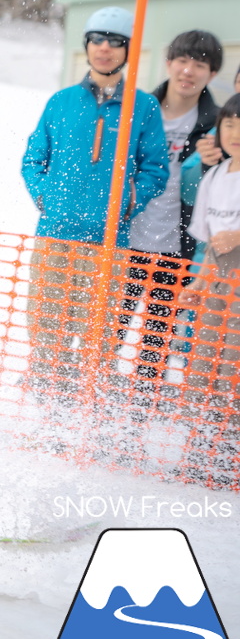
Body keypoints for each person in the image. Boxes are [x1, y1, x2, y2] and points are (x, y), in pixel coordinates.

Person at [20, 6, 169, 403]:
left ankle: (86, 412)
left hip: (108, 241)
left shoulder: (144, 107)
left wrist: (128, 202)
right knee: (46, 329)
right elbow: (34, 159)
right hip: (56, 234)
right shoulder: (61, 101)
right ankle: (45, 407)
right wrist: (46, 197)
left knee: (97, 337)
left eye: (115, 42)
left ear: (128, 50)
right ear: (86, 46)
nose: (105, 49)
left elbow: (157, 169)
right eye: (97, 40)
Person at [124, 31, 224, 381]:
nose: (188, 71)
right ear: (168, 63)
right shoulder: (138, 110)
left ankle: (140, 414)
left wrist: (211, 162)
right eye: (182, 61)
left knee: (156, 344)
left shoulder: (217, 125)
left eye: (200, 65)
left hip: (176, 248)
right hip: (126, 239)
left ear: (212, 74)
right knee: (109, 332)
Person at [177, 94, 240, 486]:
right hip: (217, 282)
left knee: (232, 370)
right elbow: (209, 242)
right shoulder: (215, 176)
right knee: (202, 366)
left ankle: (229, 451)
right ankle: (202, 448)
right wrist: (196, 284)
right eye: (230, 125)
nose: (236, 134)